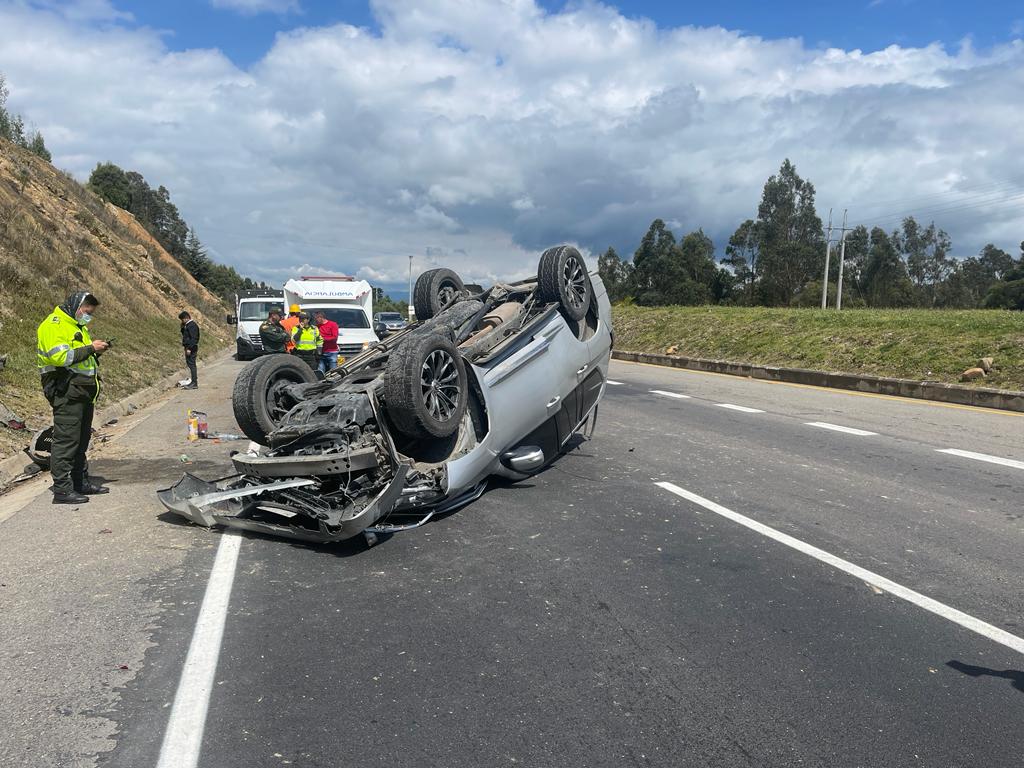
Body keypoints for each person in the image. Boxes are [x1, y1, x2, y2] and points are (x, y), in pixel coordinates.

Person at [36, 291, 110, 504]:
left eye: (91, 313)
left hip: (82, 392)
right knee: (66, 441)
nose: (88, 316)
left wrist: (95, 351)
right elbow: (60, 357)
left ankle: (80, 482)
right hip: (65, 391)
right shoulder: (53, 325)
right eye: (87, 312)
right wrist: (90, 348)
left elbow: (81, 359)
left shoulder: (77, 327)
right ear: (76, 306)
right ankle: (62, 489)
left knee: (81, 440)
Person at [179, 310, 200, 389]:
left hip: (191, 348)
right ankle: (193, 382)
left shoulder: (192, 325)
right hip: (188, 347)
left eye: (182, 319)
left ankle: (194, 383)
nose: (182, 321)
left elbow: (194, 338)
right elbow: (185, 335)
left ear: (187, 318)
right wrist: (182, 327)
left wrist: (189, 348)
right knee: (190, 364)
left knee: (192, 365)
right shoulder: (187, 325)